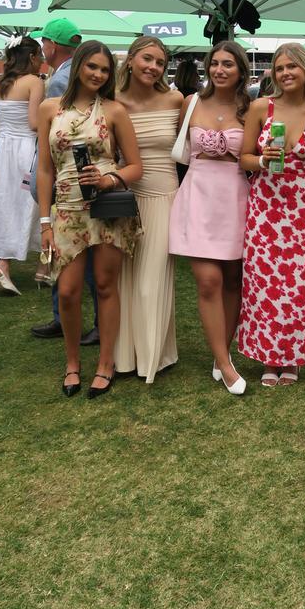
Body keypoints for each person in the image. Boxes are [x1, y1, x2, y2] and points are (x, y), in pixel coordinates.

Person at [36, 41, 142, 399]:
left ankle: (105, 363)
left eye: (105, 70)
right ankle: (72, 363)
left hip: (106, 207)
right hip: (66, 208)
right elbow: (45, 170)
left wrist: (109, 179)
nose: (98, 74)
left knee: (105, 286)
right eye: (92, 67)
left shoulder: (114, 110)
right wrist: (44, 222)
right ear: (79, 65)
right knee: (67, 291)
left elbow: (135, 166)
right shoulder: (50, 109)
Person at [238, 42, 305, 386]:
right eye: (279, 68)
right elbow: (243, 157)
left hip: (303, 203)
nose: (286, 73)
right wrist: (262, 159)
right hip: (265, 204)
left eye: (292, 66)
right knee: (263, 281)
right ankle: (268, 357)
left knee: (299, 282)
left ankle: (292, 356)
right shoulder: (262, 107)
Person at [169, 41, 250, 395]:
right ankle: (226, 364)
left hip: (235, 196)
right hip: (197, 195)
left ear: (240, 70)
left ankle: (222, 354)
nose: (219, 70)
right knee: (208, 282)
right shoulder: (190, 103)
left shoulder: (251, 108)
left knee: (233, 280)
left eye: (228, 64)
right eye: (214, 63)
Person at [114, 37, 183, 382]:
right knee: (125, 279)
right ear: (130, 60)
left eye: (160, 62)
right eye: (147, 59)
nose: (153, 67)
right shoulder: (112, 102)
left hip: (164, 196)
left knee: (151, 281)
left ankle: (157, 354)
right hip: (125, 197)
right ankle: (125, 357)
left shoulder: (175, 100)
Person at [28, 18, 99, 346]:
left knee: (75, 257)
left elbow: (55, 144)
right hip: (77, 184)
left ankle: (66, 316)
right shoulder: (72, 75)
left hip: (69, 187)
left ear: (51, 45)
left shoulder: (59, 82)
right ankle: (67, 316)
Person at [0, 36, 44, 294]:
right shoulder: (34, 82)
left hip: (4, 152)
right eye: (40, 56)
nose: (42, 61)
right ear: (32, 57)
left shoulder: (1, 84)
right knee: (34, 203)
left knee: (6, 203)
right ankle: (44, 265)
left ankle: (4, 263)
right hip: (25, 149)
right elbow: (34, 123)